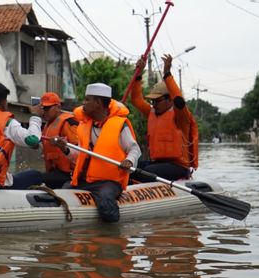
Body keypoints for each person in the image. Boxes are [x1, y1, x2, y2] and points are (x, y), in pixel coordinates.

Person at [52, 83, 141, 223]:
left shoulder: (119, 125)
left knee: (105, 201)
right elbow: (79, 153)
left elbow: (134, 149)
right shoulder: (84, 125)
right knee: (64, 189)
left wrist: (129, 161)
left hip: (109, 182)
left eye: (87, 100)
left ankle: (112, 238)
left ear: (98, 103)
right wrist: (65, 148)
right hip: (84, 180)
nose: (84, 103)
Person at [130, 54, 198, 182]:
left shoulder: (181, 116)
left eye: (157, 101)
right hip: (157, 163)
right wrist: (137, 74)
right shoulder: (151, 113)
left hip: (178, 166)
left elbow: (178, 99)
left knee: (147, 172)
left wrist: (167, 73)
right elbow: (136, 100)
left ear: (169, 100)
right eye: (152, 101)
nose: (154, 104)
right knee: (130, 167)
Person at [39, 92, 79, 189]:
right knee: (36, 177)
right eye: (43, 108)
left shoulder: (69, 122)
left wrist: (62, 146)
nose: (45, 111)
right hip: (54, 172)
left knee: (35, 177)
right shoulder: (47, 125)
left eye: (48, 108)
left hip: (68, 174)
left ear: (58, 107)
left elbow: (79, 151)